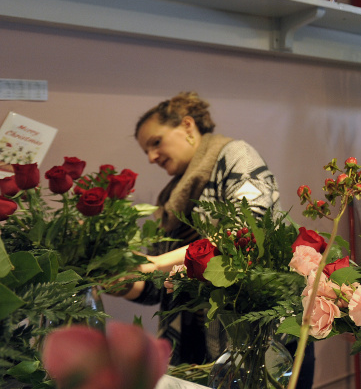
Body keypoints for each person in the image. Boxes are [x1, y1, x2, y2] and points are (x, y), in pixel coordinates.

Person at [120, 92, 314, 386]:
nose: (151, 158)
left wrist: (156, 262)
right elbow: (158, 288)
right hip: (200, 353)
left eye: (156, 142)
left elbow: (242, 233)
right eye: (146, 151)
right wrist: (115, 278)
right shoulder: (171, 199)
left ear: (187, 126)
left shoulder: (236, 156)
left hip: (262, 344)